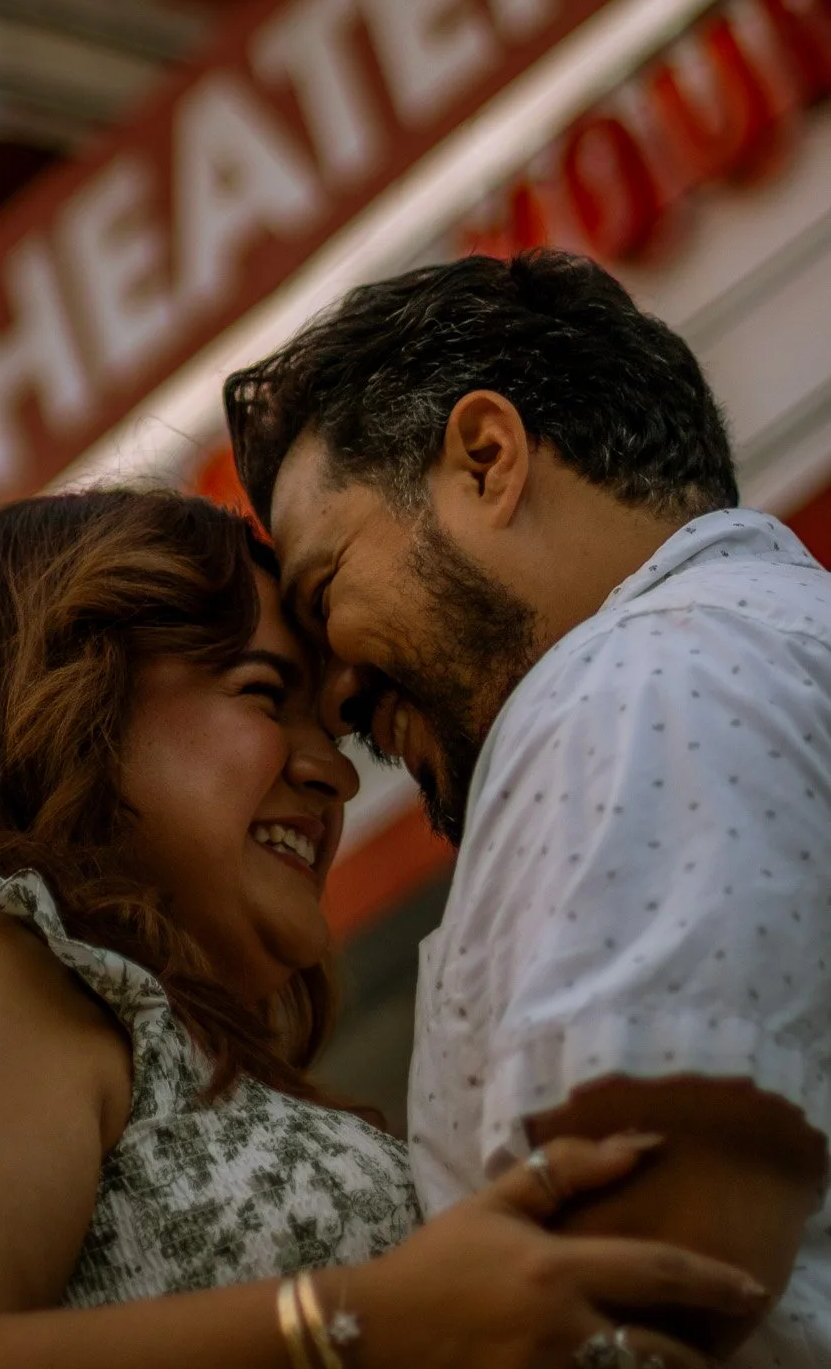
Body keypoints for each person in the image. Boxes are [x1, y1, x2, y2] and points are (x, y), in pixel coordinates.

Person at [0, 488, 762, 1369]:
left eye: (334, 728)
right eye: (266, 693)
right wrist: (348, 1324)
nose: (329, 771)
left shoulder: (131, 1029)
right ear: (66, 697)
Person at [225, 248, 831, 1369]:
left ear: (488, 458)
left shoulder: (635, 687)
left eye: (324, 594)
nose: (340, 699)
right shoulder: (755, 643)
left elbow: (646, 1295)